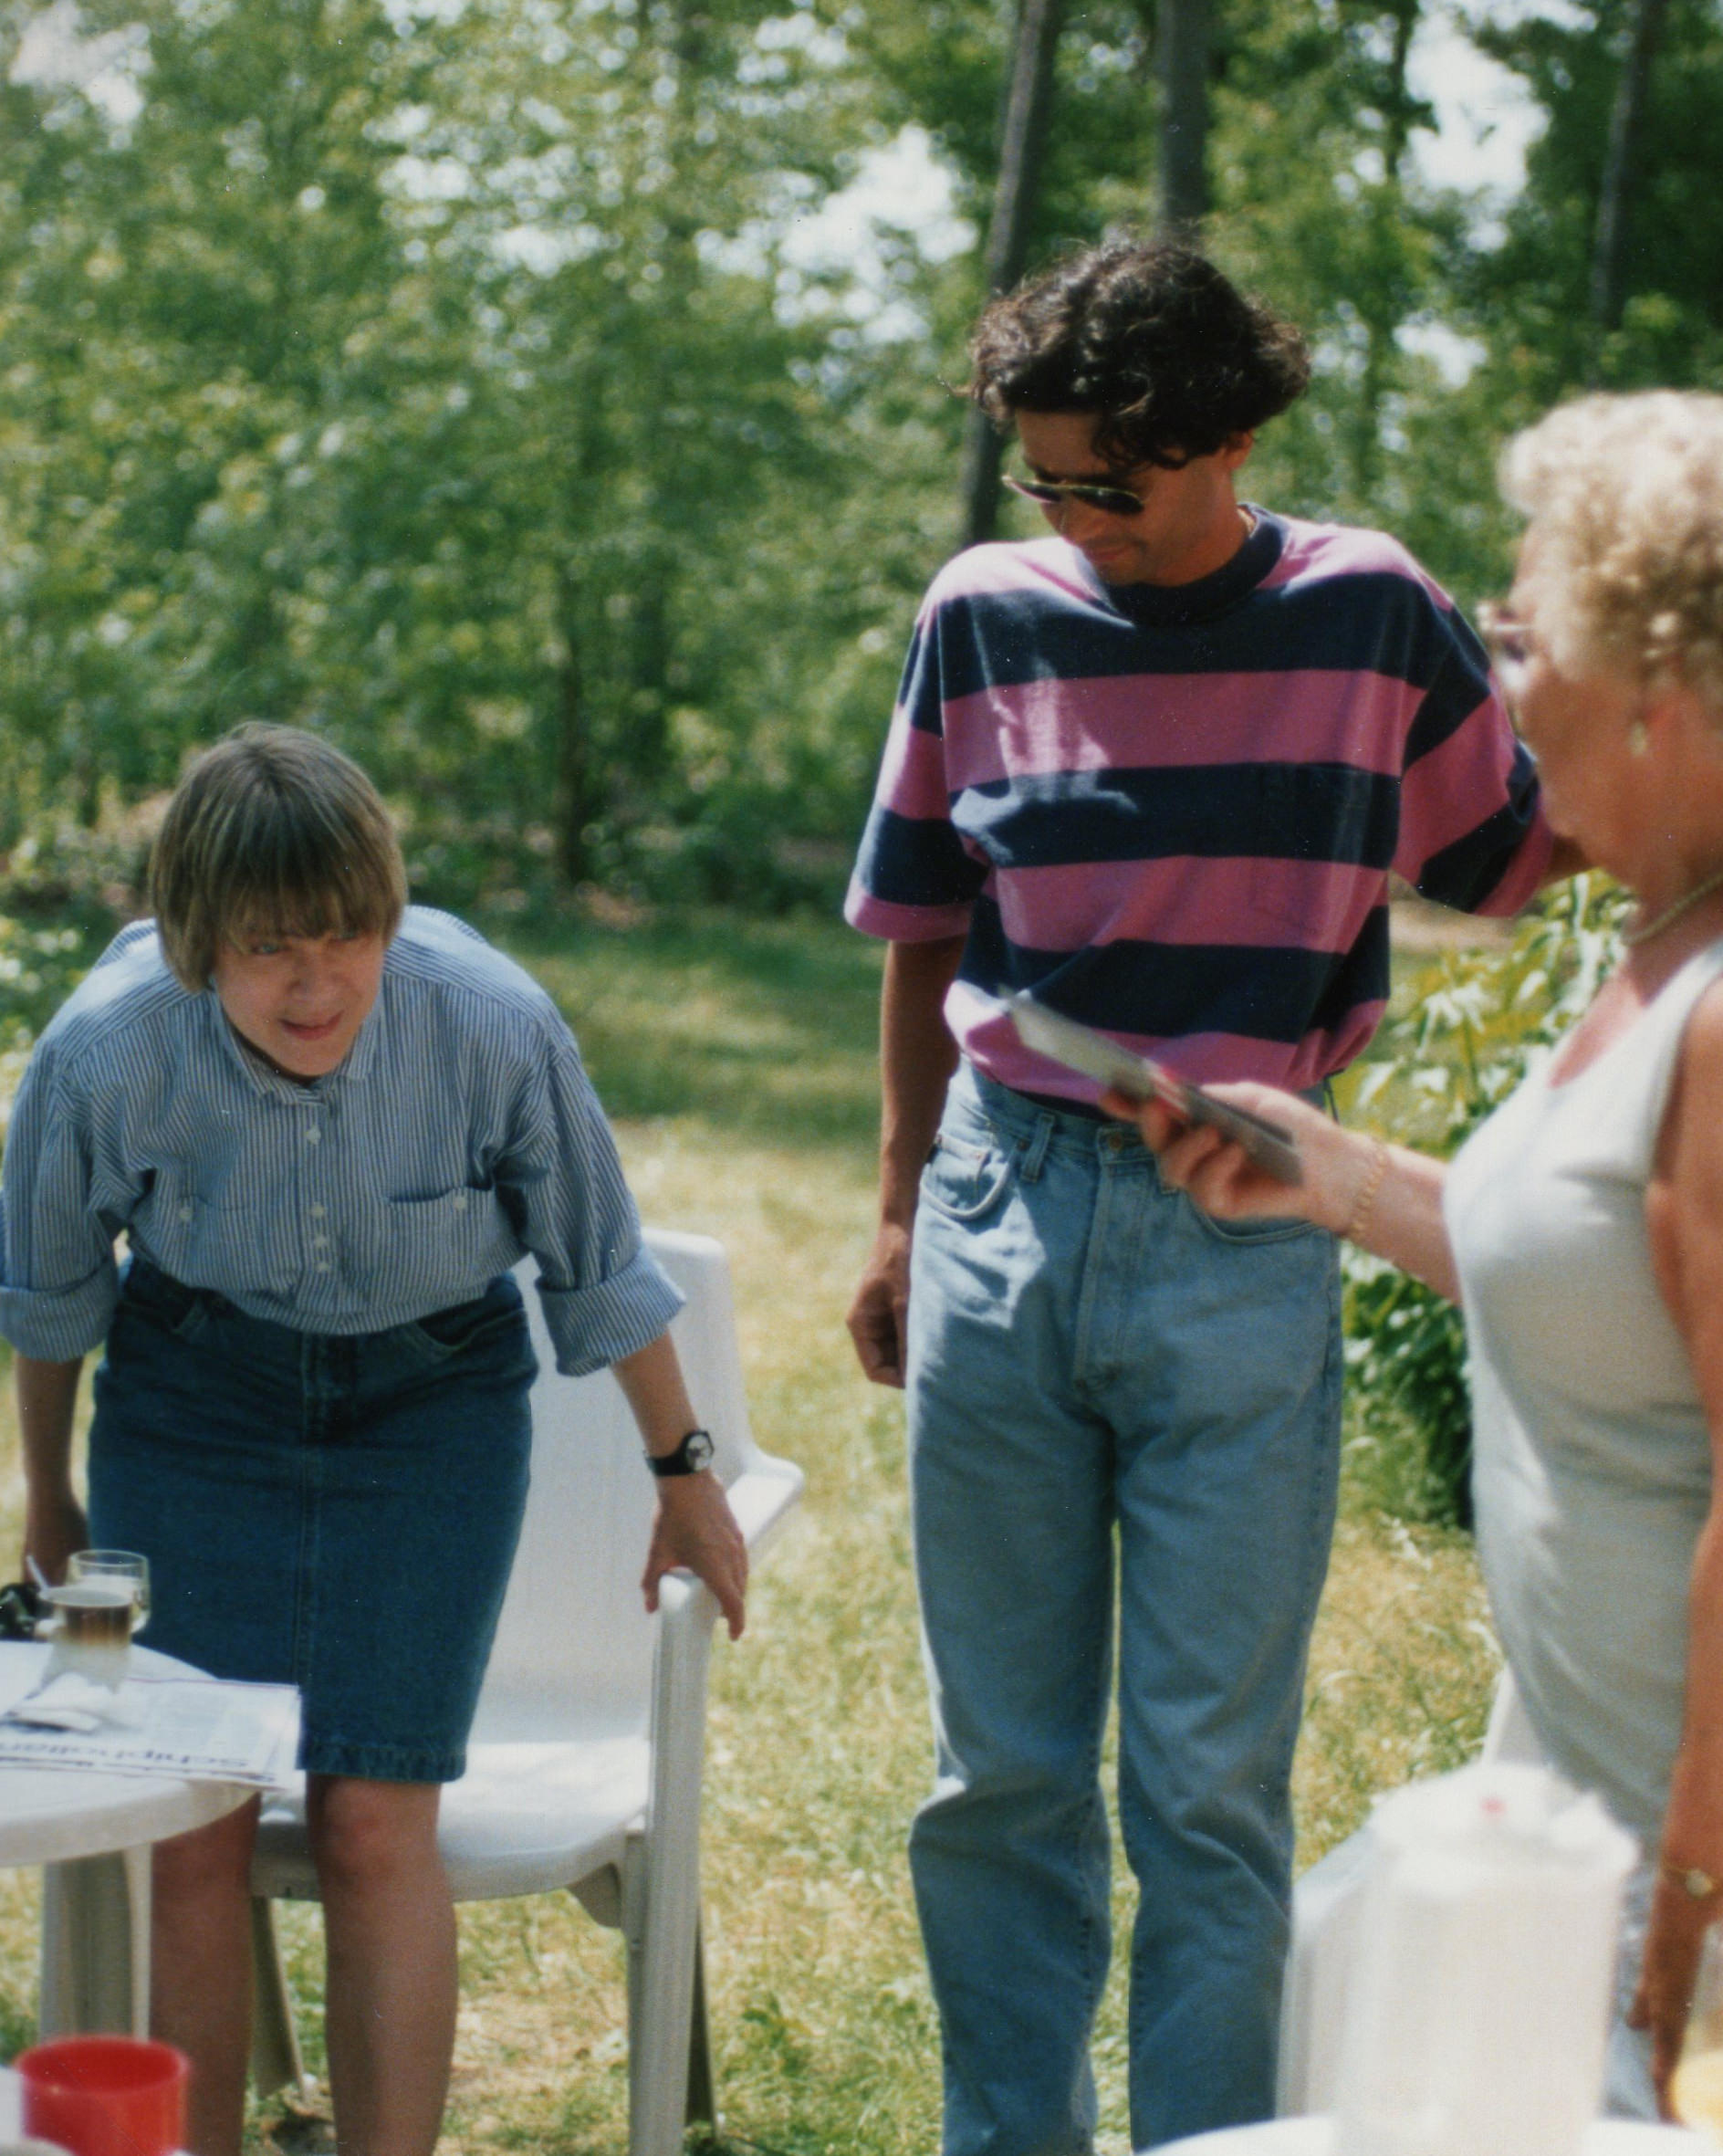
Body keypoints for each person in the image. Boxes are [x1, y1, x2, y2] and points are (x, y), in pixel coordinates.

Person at [1125, 391, 1723, 2156]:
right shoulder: (1718, 918)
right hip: (1704, 1807)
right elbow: (1637, 1285)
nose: (1496, 691)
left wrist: (1709, 1894)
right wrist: (1335, 1175)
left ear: (1657, 680)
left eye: (1519, 638)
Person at [842, 238, 1552, 2156]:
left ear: (1229, 437)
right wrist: (902, 1207)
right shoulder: (983, 612)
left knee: (1208, 1790)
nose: (1075, 518)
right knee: (997, 1774)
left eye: (1114, 484)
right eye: (1047, 479)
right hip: (1002, 1205)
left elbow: (1512, 859)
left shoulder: (1369, 612)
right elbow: (922, 926)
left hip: (1246, 1228)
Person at [0, 724, 751, 2156]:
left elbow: (599, 1265)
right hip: (193, 1404)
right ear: (196, 940)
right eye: (270, 947)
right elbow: (51, 1295)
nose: (318, 984)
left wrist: (686, 1474)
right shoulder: (103, 1050)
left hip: (431, 1411)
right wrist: (52, 1497)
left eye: (347, 936)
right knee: (193, 1823)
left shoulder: (493, 1023)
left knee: (369, 1817)